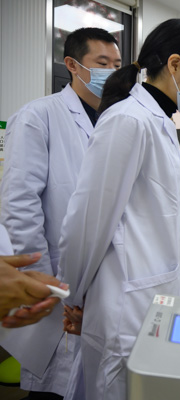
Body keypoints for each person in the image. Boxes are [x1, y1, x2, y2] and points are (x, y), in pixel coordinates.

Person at [57, 19, 180, 400]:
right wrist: (73, 295)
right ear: (175, 64)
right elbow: (87, 222)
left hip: (151, 305)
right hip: (125, 311)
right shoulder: (128, 120)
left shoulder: (160, 122)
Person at [0, 27, 121, 399]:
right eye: (102, 63)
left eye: (117, 65)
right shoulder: (38, 116)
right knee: (55, 385)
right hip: (55, 279)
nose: (111, 72)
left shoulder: (117, 121)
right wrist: (43, 282)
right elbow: (20, 205)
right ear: (72, 64)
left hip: (104, 283)